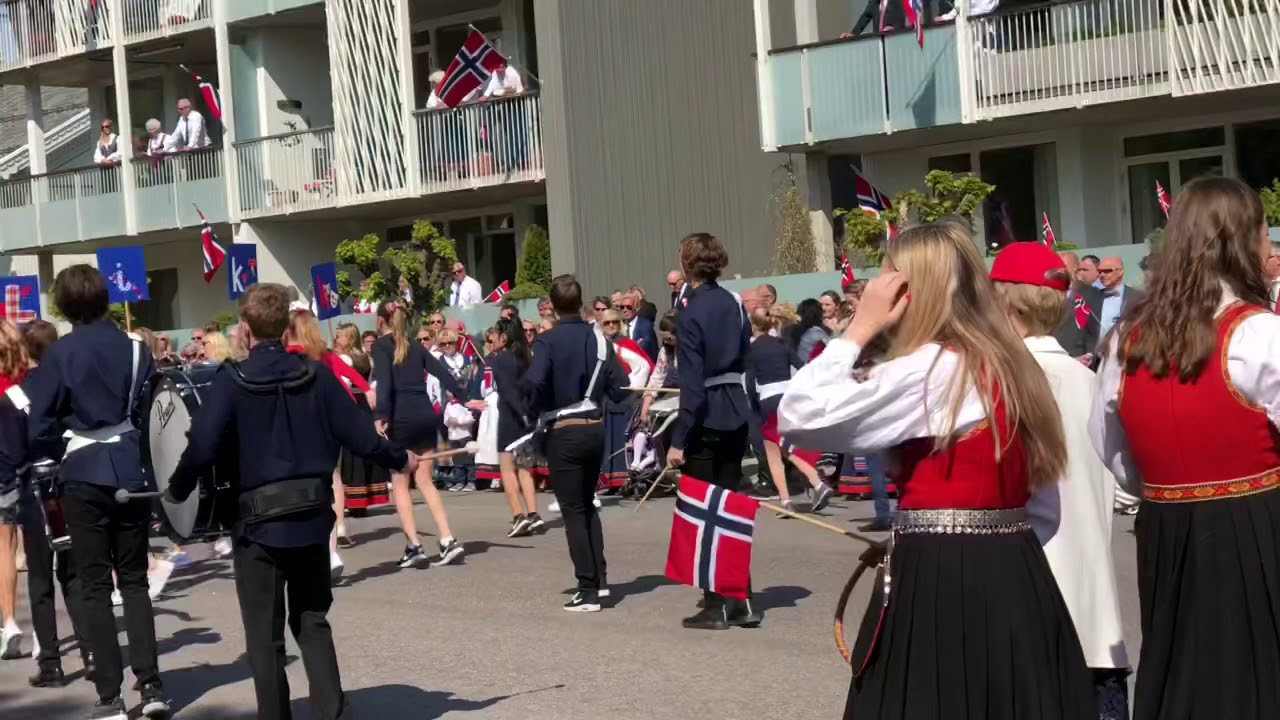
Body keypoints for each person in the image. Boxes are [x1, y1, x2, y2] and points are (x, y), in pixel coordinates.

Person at [779, 222, 1094, 720]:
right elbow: (1042, 503)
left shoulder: (935, 369)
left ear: (907, 293)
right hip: (1016, 568)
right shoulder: (1009, 362)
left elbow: (799, 417)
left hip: (945, 573)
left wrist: (858, 330)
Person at [163, 283, 417, 720]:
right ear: (285, 327)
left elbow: (201, 446)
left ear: (245, 328)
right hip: (312, 517)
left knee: (264, 636)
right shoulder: (315, 374)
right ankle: (331, 711)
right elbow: (360, 436)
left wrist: (175, 493)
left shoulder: (231, 378)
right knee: (313, 619)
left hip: (256, 526)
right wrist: (400, 457)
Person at [1090, 177, 1280, 720]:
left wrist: (1164, 487)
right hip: (1258, 526)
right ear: (1242, 240)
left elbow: (1111, 448)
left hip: (1167, 529)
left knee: (1181, 666)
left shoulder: (1128, 338)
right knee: (1256, 672)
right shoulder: (1260, 335)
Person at [22, 265, 169, 719]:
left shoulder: (60, 354)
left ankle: (109, 696)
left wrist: (61, 437)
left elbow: (39, 424)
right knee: (134, 582)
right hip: (128, 468)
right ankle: (151, 687)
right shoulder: (135, 347)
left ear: (64, 305)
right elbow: (151, 409)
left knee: (93, 586)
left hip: (82, 472)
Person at [990, 242, 1130, 718]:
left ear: (1004, 303)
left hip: (1033, 601)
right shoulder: (1088, 380)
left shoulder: (1002, 381)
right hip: (1097, 609)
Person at [666, 233, 757, 630]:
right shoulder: (734, 303)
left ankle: (715, 602)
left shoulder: (690, 312)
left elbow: (692, 385)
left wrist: (678, 439)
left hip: (705, 414)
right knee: (732, 508)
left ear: (687, 264)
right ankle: (742, 600)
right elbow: (744, 356)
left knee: (705, 513)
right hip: (735, 408)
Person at [525, 275, 629, 612]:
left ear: (552, 306)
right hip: (595, 427)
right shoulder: (600, 340)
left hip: (564, 429)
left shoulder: (547, 341)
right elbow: (620, 387)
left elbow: (537, 381)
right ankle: (598, 580)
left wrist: (533, 410)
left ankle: (586, 588)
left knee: (573, 509)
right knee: (588, 504)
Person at [1, 320, 93, 686]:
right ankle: (89, 651)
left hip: (33, 488)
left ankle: (52, 663)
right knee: (73, 573)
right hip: (66, 480)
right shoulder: (66, 388)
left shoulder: (16, 394)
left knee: (41, 579)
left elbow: (11, 450)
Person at [373, 300, 470, 568]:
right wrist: (464, 397)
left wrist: (381, 416)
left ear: (381, 321)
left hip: (401, 417)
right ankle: (447, 539)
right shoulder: (417, 346)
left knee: (400, 480)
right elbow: (443, 373)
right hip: (425, 415)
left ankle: (414, 545)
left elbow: (385, 384)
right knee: (425, 479)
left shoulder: (382, 346)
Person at [745, 306, 833, 515]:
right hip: (787, 398)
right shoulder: (781, 344)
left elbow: (750, 380)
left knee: (778, 452)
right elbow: (801, 367)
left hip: (767, 400)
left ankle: (814, 485)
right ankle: (787, 501)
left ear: (753, 325)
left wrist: (753, 406)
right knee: (781, 449)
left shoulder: (752, 349)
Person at [488, 318, 544, 536]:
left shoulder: (501, 359)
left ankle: (518, 516)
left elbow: (508, 391)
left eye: (495, 335)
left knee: (507, 469)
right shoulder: (526, 357)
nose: (491, 339)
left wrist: (520, 413)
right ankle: (533, 514)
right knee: (524, 468)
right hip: (527, 418)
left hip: (511, 418)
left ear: (504, 337)